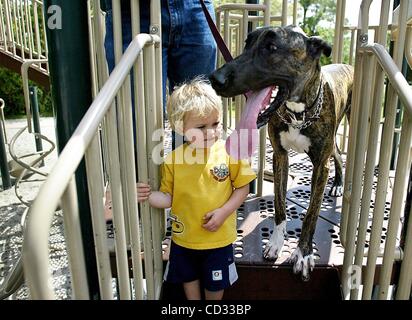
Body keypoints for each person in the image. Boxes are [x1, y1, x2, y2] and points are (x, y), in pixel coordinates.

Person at [136, 78, 257, 300]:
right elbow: (169, 198)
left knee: (215, 285)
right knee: (188, 279)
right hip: (183, 240)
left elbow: (243, 188)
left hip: (218, 239)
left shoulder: (230, 151)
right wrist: (148, 196)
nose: (211, 132)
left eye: (215, 124)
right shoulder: (173, 159)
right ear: (181, 127)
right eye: (201, 127)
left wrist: (223, 212)